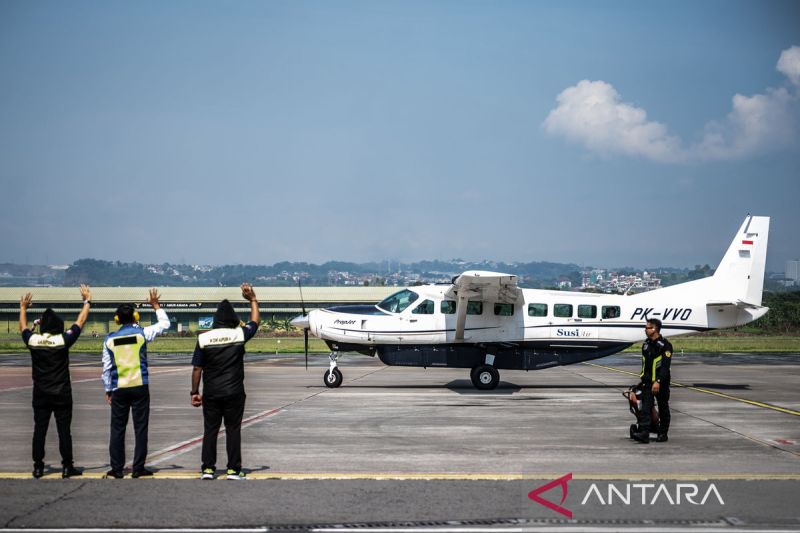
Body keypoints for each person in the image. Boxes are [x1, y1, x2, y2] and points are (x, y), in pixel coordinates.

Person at [20, 285, 92, 479]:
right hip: (61, 393)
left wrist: (23, 308)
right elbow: (80, 321)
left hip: (40, 393)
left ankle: (38, 467)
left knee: (39, 430)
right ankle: (67, 467)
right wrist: (87, 302)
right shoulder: (62, 340)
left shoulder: (34, 341)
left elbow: (23, 328)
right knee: (64, 431)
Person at [190, 283, 260, 480]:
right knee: (233, 429)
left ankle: (208, 469)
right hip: (234, 392)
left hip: (211, 393)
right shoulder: (239, 334)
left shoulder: (203, 339)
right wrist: (253, 300)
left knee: (210, 430)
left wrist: (194, 392)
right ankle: (233, 470)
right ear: (232, 319)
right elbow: (255, 322)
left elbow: (197, 369)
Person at [102, 289, 170, 478]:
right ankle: (138, 468)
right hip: (140, 386)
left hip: (119, 388)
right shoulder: (142, 333)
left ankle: (117, 469)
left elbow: (106, 368)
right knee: (140, 428)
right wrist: (156, 306)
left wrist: (108, 390)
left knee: (117, 429)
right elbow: (165, 324)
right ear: (135, 316)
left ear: (117, 319)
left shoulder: (109, 339)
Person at [631, 318, 672, 444]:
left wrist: (658, 381)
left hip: (661, 383)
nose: (645, 330)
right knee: (645, 408)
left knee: (663, 407)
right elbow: (647, 366)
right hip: (648, 382)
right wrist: (643, 380)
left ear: (655, 329)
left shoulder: (665, 345)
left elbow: (665, 367)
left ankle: (663, 433)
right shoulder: (646, 344)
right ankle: (644, 433)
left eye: (647, 328)